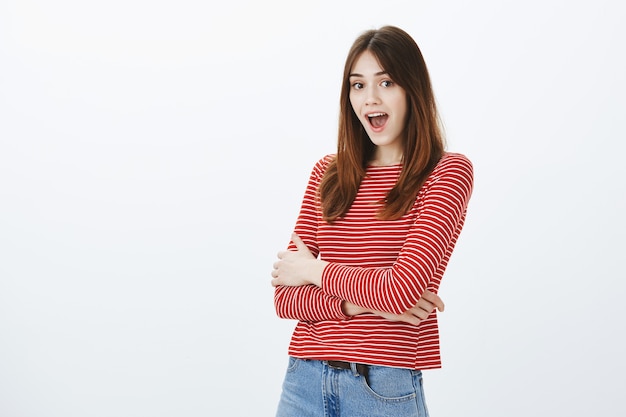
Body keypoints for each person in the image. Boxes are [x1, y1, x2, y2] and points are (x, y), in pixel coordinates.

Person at [270, 25, 473, 417]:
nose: (371, 98)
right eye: (358, 85)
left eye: (386, 82)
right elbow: (284, 298)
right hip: (303, 381)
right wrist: (365, 306)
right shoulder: (326, 174)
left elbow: (401, 291)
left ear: (413, 90)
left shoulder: (446, 173)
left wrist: (314, 269)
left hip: (383, 386)